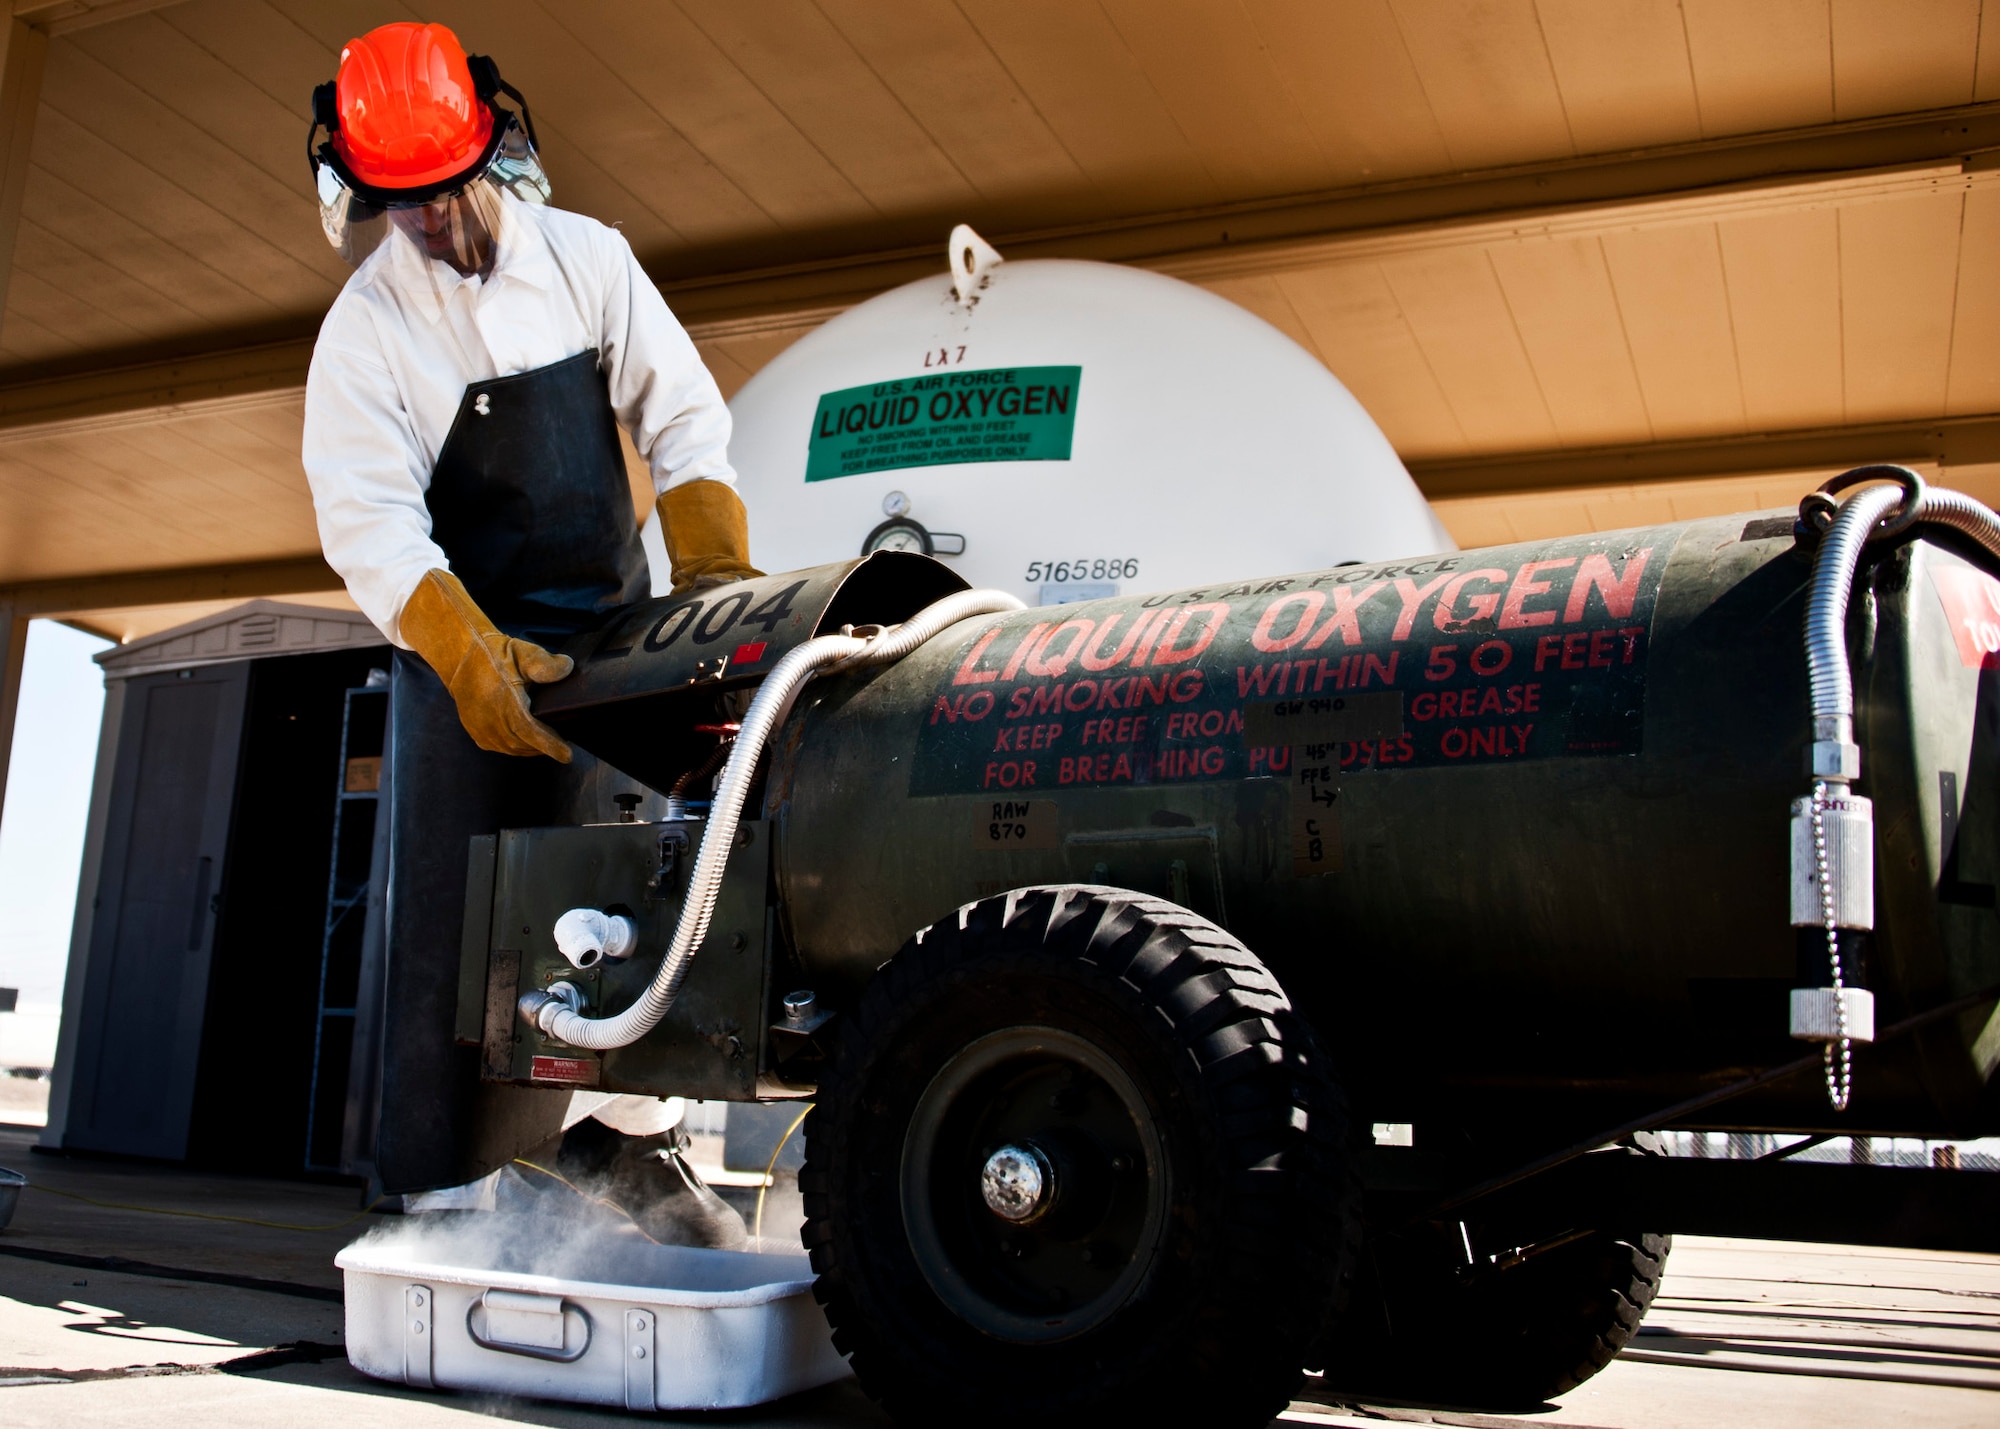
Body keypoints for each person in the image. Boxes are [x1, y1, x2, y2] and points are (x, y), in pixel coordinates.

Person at [300, 21, 754, 1245]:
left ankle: (615, 1169)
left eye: (441, 193)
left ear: (493, 151)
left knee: (617, 912)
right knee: (457, 932)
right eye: (397, 206)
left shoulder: (587, 259)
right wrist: (465, 651)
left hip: (607, 643)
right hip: (464, 660)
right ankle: (437, 1204)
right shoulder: (367, 332)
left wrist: (707, 573)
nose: (429, 224)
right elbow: (371, 521)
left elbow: (685, 423)